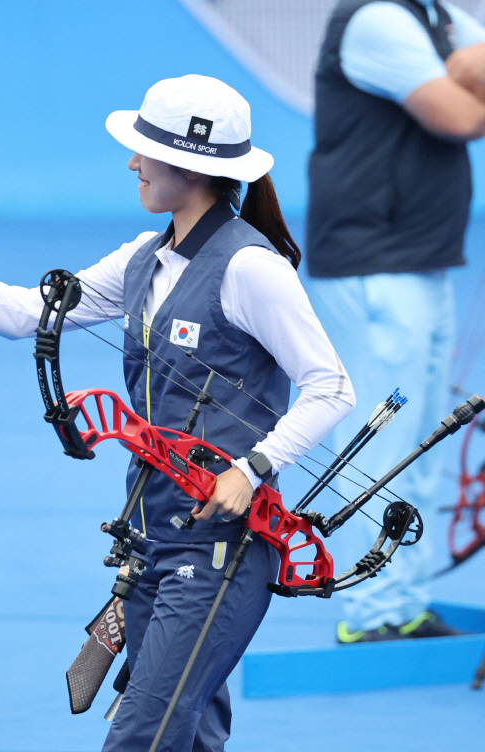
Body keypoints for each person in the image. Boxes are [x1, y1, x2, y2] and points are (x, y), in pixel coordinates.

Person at [0, 75, 354, 752]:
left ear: (189, 168)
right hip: (158, 537)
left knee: (142, 735)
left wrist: (253, 468)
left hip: (220, 550)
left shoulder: (251, 267)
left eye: (145, 151)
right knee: (188, 737)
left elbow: (331, 386)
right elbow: (19, 314)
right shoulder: (142, 258)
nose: (133, 162)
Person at [306, 0, 485, 644]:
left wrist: (469, 69)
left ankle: (403, 603)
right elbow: (462, 115)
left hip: (423, 261)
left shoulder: (435, 15)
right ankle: (369, 612)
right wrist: (467, 77)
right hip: (373, 266)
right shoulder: (376, 19)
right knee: (383, 448)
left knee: (423, 447)